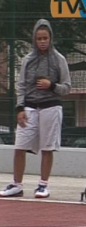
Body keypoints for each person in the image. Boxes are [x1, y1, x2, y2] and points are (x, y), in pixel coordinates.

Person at [0, 19, 71, 199]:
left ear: (50, 38)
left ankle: (43, 185)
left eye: (45, 38)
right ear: (34, 39)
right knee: (20, 145)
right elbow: (21, 85)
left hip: (51, 106)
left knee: (47, 147)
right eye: (39, 38)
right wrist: (20, 108)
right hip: (30, 107)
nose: (42, 41)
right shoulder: (28, 60)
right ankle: (17, 184)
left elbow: (67, 87)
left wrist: (51, 85)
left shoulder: (59, 59)